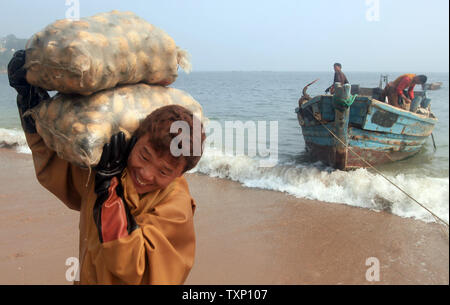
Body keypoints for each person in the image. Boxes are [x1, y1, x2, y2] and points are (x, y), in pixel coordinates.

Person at [8, 50, 206, 284]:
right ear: (135, 139)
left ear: (179, 174)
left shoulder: (175, 207)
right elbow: (61, 171)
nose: (146, 173)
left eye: (164, 171)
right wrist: (31, 106)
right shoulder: (111, 168)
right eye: (144, 156)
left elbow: (135, 268)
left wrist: (111, 196)